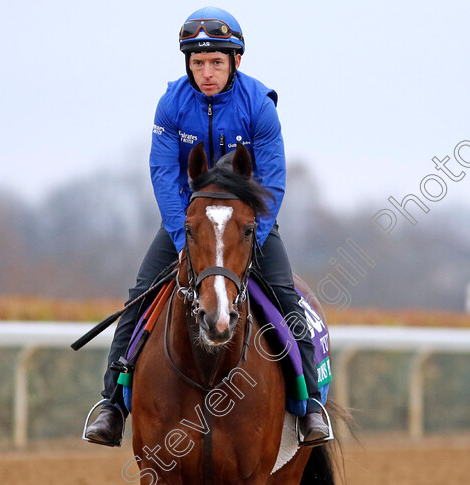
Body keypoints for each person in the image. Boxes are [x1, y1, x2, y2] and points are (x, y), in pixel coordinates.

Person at [83, 6, 330, 447]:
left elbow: (271, 180)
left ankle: (309, 405)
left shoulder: (260, 106)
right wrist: (184, 237)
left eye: (216, 62)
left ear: (236, 60)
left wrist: (251, 235)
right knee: (139, 296)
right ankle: (111, 406)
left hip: (247, 224)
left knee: (287, 300)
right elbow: (163, 174)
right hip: (189, 224)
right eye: (197, 63)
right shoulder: (171, 104)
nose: (206, 72)